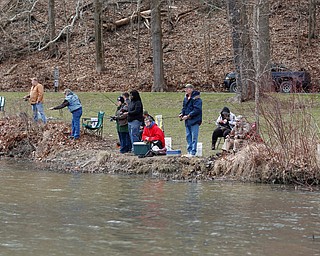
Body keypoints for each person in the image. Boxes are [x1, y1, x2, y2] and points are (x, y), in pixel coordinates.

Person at [178, 84, 202, 157]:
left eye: (188, 88)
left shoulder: (196, 98)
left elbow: (197, 110)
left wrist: (188, 116)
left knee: (194, 137)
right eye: (186, 88)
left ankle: (193, 152)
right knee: (188, 136)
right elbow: (184, 108)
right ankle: (189, 151)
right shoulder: (186, 98)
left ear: (192, 89)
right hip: (187, 121)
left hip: (195, 120)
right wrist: (181, 114)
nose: (186, 90)